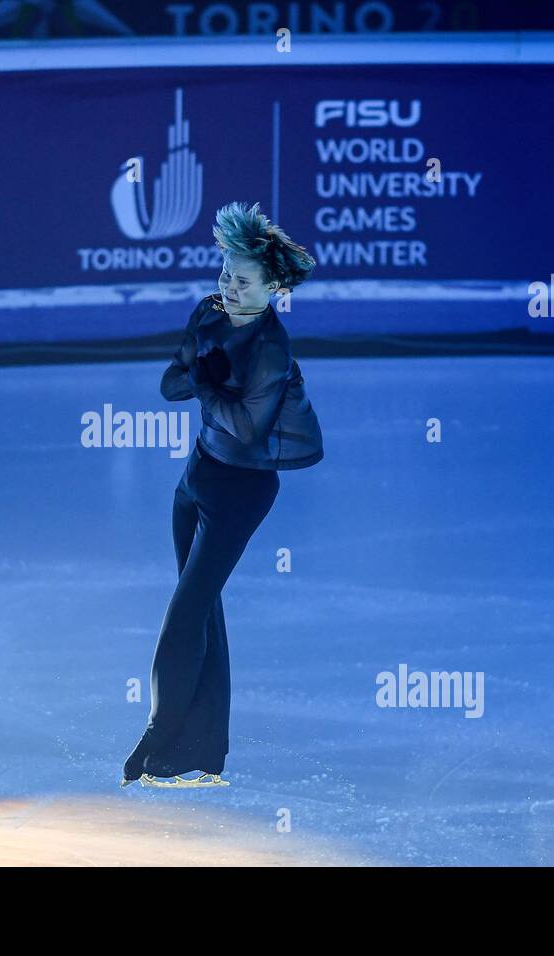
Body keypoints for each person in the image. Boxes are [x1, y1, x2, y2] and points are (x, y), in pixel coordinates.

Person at [122, 201, 324, 789]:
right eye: (224, 276)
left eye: (242, 281)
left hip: (242, 492)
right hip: (195, 480)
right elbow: (169, 383)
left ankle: (158, 737)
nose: (228, 289)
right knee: (204, 610)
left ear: (273, 286)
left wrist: (207, 382)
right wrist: (201, 373)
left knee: (184, 614)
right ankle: (201, 753)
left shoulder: (271, 350)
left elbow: (245, 428)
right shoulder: (208, 315)